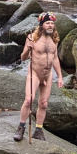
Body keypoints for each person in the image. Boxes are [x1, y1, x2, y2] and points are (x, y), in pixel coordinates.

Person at [14, 11, 63, 142]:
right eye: (48, 23)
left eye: (52, 23)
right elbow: (23, 58)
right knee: (29, 100)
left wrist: (60, 76)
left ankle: (38, 131)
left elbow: (55, 58)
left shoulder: (55, 39)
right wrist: (27, 49)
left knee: (44, 104)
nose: (50, 26)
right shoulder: (32, 38)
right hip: (34, 73)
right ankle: (21, 127)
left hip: (48, 75)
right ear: (42, 25)